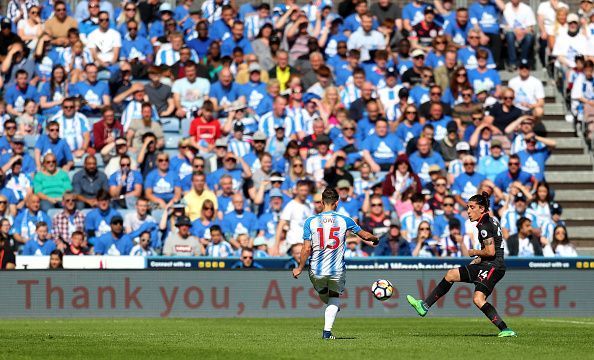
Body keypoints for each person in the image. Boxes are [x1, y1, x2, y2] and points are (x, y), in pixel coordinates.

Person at [406, 192, 516, 337]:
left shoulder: (484, 225)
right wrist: (477, 259)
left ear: (481, 209)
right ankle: (424, 306)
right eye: (467, 207)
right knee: (451, 274)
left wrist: (474, 252)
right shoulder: (490, 220)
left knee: (478, 299)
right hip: (487, 264)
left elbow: (490, 251)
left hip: (493, 266)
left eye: (471, 207)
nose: (468, 211)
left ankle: (505, 329)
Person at [291, 187, 379, 340]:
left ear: (321, 202)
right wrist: (375, 239)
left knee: (326, 296)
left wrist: (299, 267)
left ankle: (328, 330)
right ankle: (330, 320)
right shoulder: (345, 220)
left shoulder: (310, 222)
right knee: (334, 298)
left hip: (316, 270)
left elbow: (306, 248)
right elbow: (364, 235)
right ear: (337, 203)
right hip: (336, 270)